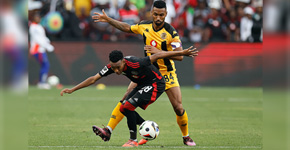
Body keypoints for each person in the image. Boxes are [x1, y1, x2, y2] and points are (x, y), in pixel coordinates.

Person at [92, 0, 196, 146]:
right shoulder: (144, 26)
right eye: (155, 14)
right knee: (126, 99)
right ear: (151, 13)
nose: (158, 18)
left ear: (166, 14)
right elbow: (127, 28)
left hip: (167, 74)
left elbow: (179, 56)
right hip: (146, 73)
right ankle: (108, 129)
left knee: (178, 107)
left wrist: (158, 52)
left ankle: (186, 136)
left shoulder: (171, 32)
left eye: (161, 15)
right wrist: (109, 20)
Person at [60, 47, 198, 147]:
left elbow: (159, 55)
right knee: (123, 107)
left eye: (118, 67)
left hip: (156, 84)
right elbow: (93, 79)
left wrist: (182, 52)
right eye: (113, 68)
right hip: (142, 84)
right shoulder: (111, 66)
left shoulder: (136, 62)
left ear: (124, 62)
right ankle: (146, 128)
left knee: (128, 106)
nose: (116, 71)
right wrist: (73, 89)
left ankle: (133, 140)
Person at [29, 13, 54, 89]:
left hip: (41, 49)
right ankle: (42, 82)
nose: (38, 19)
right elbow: (37, 39)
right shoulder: (33, 27)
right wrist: (47, 46)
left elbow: (43, 37)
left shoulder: (39, 26)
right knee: (45, 65)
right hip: (37, 50)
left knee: (45, 65)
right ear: (33, 19)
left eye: (39, 17)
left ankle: (42, 82)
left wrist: (47, 41)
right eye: (36, 17)